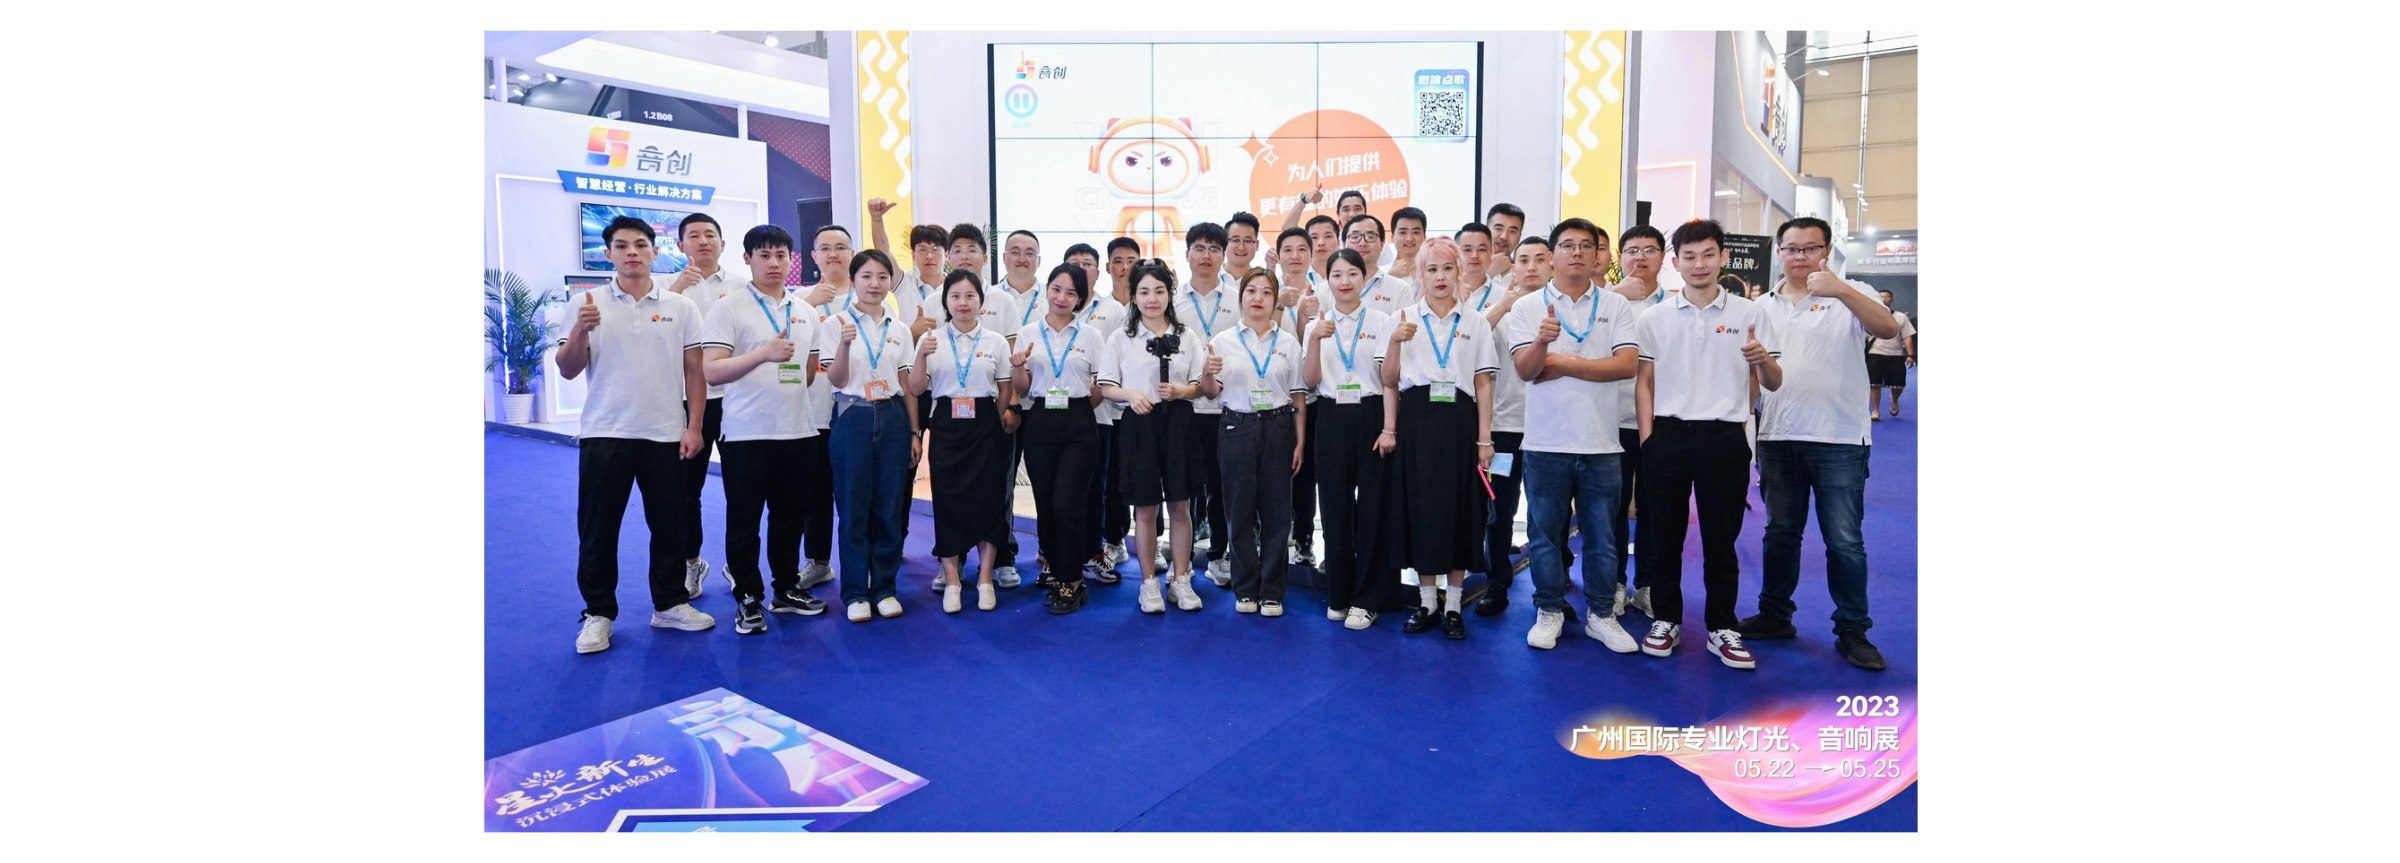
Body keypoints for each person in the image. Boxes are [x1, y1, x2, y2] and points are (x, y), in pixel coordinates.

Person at [1737, 217, 1901, 670]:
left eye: (1810, 248)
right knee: (1780, 533)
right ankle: (1775, 614)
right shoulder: (1761, 306)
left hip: (1839, 437)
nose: (1800, 256)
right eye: (1792, 248)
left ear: (1826, 251)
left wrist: (1840, 290)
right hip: (1778, 434)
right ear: (1780, 252)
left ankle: (1853, 630)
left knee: (1844, 540)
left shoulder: (1853, 292)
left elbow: (1888, 329)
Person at [556, 216, 716, 654]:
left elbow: (695, 371)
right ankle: (598, 614)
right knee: (598, 528)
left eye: (641, 245)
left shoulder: (681, 307)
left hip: (665, 433)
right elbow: (568, 368)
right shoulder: (586, 302)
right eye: (622, 245)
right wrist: (580, 330)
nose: (632, 252)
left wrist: (694, 426)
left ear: (655, 252)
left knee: (669, 525)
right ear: (608, 254)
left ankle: (669, 603)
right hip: (605, 431)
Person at [1634, 219, 1782, 669]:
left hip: (1724, 437)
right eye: (1690, 256)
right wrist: (1648, 440)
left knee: (1722, 539)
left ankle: (1722, 627)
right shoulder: (1654, 317)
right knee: (1664, 537)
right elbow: (1644, 382)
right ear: (1676, 262)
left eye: (1708, 255)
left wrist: (1762, 361)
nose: (1699, 264)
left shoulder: (1750, 313)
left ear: (1723, 258)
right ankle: (1666, 619)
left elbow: (1773, 381)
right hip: (1668, 436)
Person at [1505, 217, 1642, 652]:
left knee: (1603, 538)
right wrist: (1542, 344)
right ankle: (1548, 609)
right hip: (1545, 442)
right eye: (1568, 245)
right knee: (1545, 536)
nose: (1577, 253)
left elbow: (1626, 366)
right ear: (1552, 255)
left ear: (1598, 255)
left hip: (1601, 443)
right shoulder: (1527, 308)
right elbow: (1527, 371)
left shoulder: (1616, 305)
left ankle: (1601, 614)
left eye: (1587, 245)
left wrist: (1563, 363)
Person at [697, 225, 831, 635]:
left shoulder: (805, 310)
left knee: (790, 519)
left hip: (798, 431)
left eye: (781, 255)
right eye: (764, 255)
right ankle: (747, 597)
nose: (774, 263)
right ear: (748, 259)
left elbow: (808, 372)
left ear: (792, 260)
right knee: (744, 522)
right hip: (746, 434)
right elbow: (712, 371)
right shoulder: (729, 308)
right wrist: (763, 355)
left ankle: (785, 589)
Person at [1377, 237, 1496, 640]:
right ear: (1420, 275)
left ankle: (1455, 604)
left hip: (1460, 423)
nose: (1440, 277)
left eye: (1447, 268)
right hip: (1416, 422)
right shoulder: (1403, 318)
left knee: (1461, 508)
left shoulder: (1475, 322)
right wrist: (1395, 342)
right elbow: (1388, 380)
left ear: (1459, 272)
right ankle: (1427, 602)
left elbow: (1483, 382)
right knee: (1421, 508)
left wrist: (1484, 438)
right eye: (1431, 269)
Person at [1097, 260, 1209, 614]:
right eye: (1144, 292)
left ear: (1169, 294)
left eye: (1159, 291)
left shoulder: (1187, 336)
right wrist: (1131, 395)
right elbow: (1106, 385)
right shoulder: (1122, 337)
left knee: (1180, 505)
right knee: (1145, 507)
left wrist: (1180, 391)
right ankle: (1148, 584)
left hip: (1179, 423)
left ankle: (1181, 580)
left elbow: (1200, 386)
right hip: (1139, 424)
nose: (1152, 299)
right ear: (1133, 296)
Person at [1302, 249, 1404, 630]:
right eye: (1337, 275)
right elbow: (1310, 381)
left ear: (1364, 278)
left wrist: (1389, 428)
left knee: (1374, 508)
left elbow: (1390, 380)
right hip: (1330, 417)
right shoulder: (1317, 323)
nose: (1344, 282)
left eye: (1352, 274)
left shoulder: (1381, 320)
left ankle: (1368, 598)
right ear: (1327, 281)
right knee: (1333, 508)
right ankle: (1340, 593)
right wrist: (1315, 339)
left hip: (1372, 414)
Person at [820, 249, 924, 623]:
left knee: (889, 507)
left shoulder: (899, 329)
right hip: (853, 415)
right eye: (866, 276)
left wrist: (914, 431)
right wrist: (845, 344)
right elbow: (836, 379)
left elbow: (906, 385)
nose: (875, 284)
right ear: (853, 281)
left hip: (893, 417)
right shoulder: (836, 323)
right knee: (853, 508)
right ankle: (855, 592)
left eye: (882, 277)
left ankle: (884, 588)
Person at [1201, 268, 1309, 618]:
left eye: (1266, 292)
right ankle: (1245, 586)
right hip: (1237, 427)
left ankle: (1273, 590)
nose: (1258, 298)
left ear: (1275, 300)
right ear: (1241, 297)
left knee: (1277, 513)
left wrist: (1300, 442)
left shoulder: (1288, 343)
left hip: (1279, 427)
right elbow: (1211, 393)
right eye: (1251, 291)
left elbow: (1298, 396)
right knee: (1239, 512)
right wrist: (1206, 372)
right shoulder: (1222, 341)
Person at [908, 269, 1015, 613]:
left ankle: (985, 578)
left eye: (970, 296)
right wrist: (922, 354)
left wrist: (992, 418)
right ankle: (952, 578)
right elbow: (915, 388)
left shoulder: (995, 341)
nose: (963, 303)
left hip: (985, 427)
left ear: (981, 302)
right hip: (947, 427)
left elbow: (1004, 389)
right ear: (946, 302)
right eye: (955, 296)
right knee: (948, 501)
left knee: (988, 501)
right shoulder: (932, 339)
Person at [1010, 263, 1108, 613]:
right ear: (1046, 290)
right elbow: (1022, 388)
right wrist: (1018, 365)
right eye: (1056, 289)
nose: (1062, 297)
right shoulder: (1028, 333)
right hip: (1040, 421)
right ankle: (1055, 568)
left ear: (1080, 298)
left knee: (1068, 503)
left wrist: (1075, 406)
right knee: (1046, 504)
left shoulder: (1091, 336)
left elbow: (1100, 387)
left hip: (1078, 422)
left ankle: (1073, 581)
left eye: (1071, 292)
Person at [664, 213, 749, 599]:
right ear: (680, 245)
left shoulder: (742, 287)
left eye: (710, 235)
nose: (703, 241)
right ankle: (691, 561)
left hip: (736, 401)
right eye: (694, 236)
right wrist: (677, 289)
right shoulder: (664, 289)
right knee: (685, 490)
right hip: (685, 404)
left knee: (742, 489)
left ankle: (739, 564)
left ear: (723, 244)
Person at [1456, 223, 1534, 617]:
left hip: (1524, 421)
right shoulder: (1446, 297)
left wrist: (1504, 303)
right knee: (1487, 507)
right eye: (1466, 249)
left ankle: (1536, 588)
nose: (1474, 256)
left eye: (1481, 249)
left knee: (1524, 508)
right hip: (1480, 423)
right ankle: (1487, 578)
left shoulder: (1513, 295)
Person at [1608, 224, 1671, 618]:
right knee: (1612, 509)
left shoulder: (1675, 307)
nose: (1640, 257)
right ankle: (1614, 583)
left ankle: (1647, 584)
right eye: (1632, 250)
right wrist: (1616, 294)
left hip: (1660, 422)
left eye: (1650, 250)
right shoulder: (1607, 302)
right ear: (1621, 257)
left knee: (1655, 508)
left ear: (1663, 258)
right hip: (1610, 420)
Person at [1173, 223, 1239, 588]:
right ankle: (1180, 560)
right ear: (1187, 254)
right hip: (1185, 407)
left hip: (1226, 408)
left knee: (1222, 487)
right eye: (1199, 248)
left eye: (1214, 249)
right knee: (1184, 487)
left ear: (1223, 255)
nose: (1206, 255)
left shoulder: (1238, 297)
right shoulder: (1173, 300)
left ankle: (1218, 554)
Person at [1091, 237, 1144, 573]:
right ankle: (1112, 540)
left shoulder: (1149, 306)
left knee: (1139, 477)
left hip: (1140, 410)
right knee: (1109, 480)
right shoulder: (1100, 309)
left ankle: (1141, 540)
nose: (1125, 268)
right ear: (1108, 267)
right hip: (1106, 411)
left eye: (1131, 261)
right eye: (1119, 261)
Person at [1271, 227, 1322, 570]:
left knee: (1306, 474)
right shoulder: (1265, 288)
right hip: (1272, 400)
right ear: (1278, 256)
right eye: (1287, 249)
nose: (1295, 256)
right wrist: (1280, 304)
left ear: (1311, 253)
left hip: (1312, 397)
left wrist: (1304, 317)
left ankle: (1304, 539)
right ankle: (1272, 536)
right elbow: (1261, 335)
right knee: (1273, 472)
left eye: (1301, 249)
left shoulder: (1326, 290)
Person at [1345, 215, 1414, 317]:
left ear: (1382, 244)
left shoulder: (1400, 288)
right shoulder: (1327, 288)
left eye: (1370, 237)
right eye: (1355, 237)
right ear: (1344, 243)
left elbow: (1408, 324)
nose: (1362, 243)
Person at [1867, 289, 1916, 420]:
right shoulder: (1869, 315)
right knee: (1874, 384)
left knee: (1898, 385)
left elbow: (1907, 337)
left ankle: (1894, 399)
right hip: (1875, 353)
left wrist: (1911, 355)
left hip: (1896, 354)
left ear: (1892, 300)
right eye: (1881, 297)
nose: (1884, 299)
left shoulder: (1901, 317)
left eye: (1887, 297)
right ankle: (1875, 411)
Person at [1383, 206, 1428, 286]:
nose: (1409, 239)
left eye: (1416, 232)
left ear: (1424, 237)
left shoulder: (1433, 271)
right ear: (1392, 237)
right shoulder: (1381, 272)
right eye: (1403, 232)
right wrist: (1391, 276)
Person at [1483, 203, 1527, 284]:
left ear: (1519, 237)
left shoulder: (1526, 271)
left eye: (1512, 231)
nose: (1504, 237)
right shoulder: (1464, 267)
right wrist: (1488, 273)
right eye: (1498, 229)